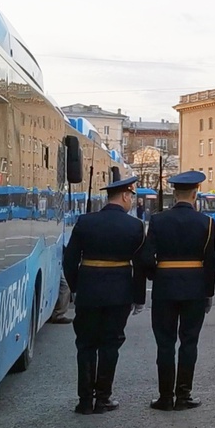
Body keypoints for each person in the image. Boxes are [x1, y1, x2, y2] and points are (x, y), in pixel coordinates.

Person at [63, 175, 146, 415]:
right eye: (131, 197)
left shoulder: (85, 222)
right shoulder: (135, 226)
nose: (131, 201)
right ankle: (103, 398)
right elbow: (140, 265)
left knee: (86, 344)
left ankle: (84, 400)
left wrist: (77, 288)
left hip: (88, 291)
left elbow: (69, 260)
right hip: (119, 293)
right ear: (124, 196)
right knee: (110, 344)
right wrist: (138, 297)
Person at [138, 171, 215, 411]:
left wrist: (157, 274)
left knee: (165, 343)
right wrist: (208, 292)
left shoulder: (158, 220)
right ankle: (184, 395)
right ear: (195, 194)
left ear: (174, 194)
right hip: (194, 288)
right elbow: (210, 262)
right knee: (189, 342)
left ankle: (164, 396)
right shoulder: (207, 222)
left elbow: (145, 257)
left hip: (164, 288)